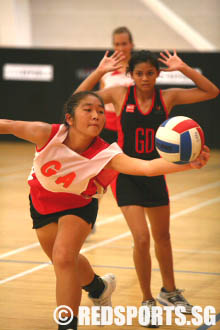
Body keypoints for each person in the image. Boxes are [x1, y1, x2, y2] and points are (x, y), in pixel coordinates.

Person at [74, 49, 219, 327]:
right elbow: (77, 99)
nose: (144, 78)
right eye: (139, 73)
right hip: (126, 174)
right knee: (141, 238)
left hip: (155, 173)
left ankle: (170, 292)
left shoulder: (167, 97)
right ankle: (147, 299)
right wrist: (100, 72)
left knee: (163, 237)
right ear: (131, 75)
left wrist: (183, 67)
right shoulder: (119, 94)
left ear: (158, 74)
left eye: (150, 73)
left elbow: (211, 91)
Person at [100, 26, 134, 144]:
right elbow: (100, 100)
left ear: (131, 45)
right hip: (108, 126)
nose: (121, 48)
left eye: (124, 44)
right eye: (117, 44)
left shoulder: (139, 69)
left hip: (132, 124)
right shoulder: (106, 70)